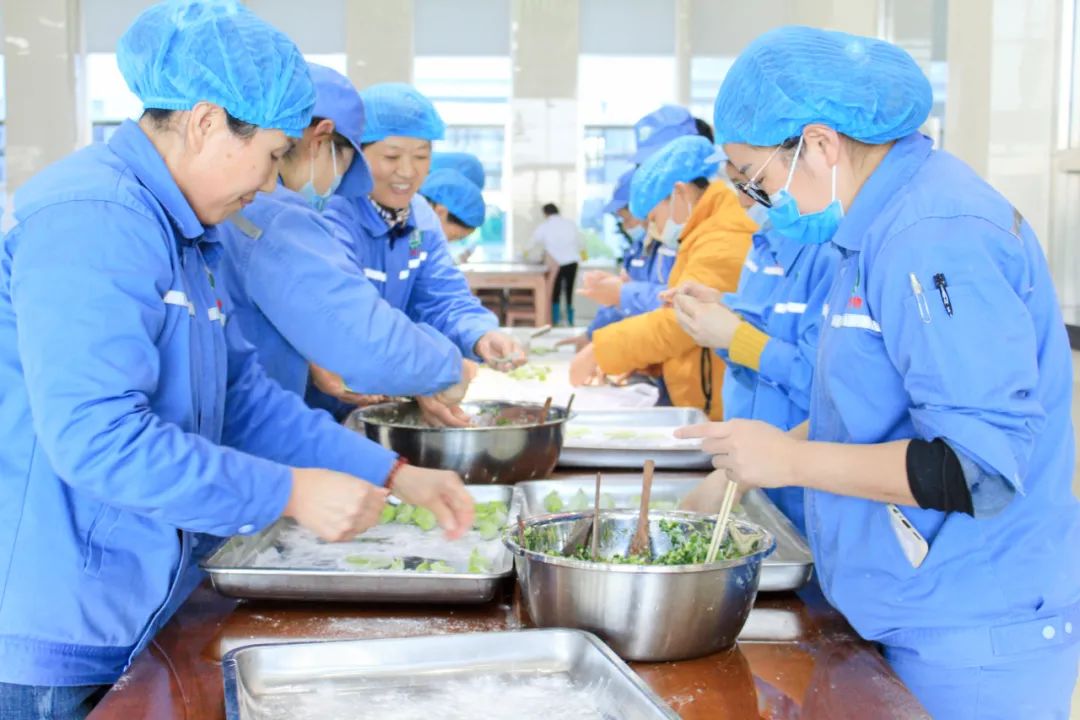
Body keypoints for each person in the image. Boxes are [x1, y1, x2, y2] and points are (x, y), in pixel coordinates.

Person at [0, 4, 473, 717]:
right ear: (206, 122)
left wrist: (392, 473)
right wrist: (289, 492)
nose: (275, 180)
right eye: (276, 153)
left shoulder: (191, 231)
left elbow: (244, 398)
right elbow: (98, 440)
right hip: (55, 622)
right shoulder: (94, 218)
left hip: (135, 595)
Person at [677, 26, 1080, 719]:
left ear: (820, 144)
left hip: (971, 629)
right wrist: (744, 472)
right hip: (903, 605)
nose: (758, 204)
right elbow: (861, 405)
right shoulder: (874, 228)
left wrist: (790, 462)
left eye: (758, 182)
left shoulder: (936, 235)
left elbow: (975, 468)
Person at [217, 64, 477, 428]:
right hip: (252, 428)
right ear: (321, 140)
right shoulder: (277, 216)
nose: (337, 185)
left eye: (421, 157)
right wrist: (446, 369)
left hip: (262, 420)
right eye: (347, 165)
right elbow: (358, 335)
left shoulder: (236, 206)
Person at [323, 83, 524, 425]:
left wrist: (480, 335)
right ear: (356, 153)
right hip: (318, 401)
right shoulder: (332, 215)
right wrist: (429, 368)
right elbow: (349, 319)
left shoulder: (421, 218)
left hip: (378, 398)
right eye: (392, 157)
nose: (407, 171)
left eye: (420, 156)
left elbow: (444, 297)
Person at [670, 158, 839, 533]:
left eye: (753, 181)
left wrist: (736, 336)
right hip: (756, 470)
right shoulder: (767, 240)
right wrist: (723, 307)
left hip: (805, 482)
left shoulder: (832, 254)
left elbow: (829, 385)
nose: (744, 201)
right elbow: (773, 324)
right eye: (738, 186)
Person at [569, 135, 753, 419]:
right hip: (699, 396)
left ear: (680, 193)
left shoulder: (723, 237)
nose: (653, 230)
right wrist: (648, 364)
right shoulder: (702, 233)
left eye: (654, 218)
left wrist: (601, 351)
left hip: (718, 407)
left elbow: (683, 323)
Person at [530, 202, 582, 326]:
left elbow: (533, 242)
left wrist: (525, 254)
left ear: (545, 213)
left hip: (556, 264)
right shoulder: (570, 224)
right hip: (572, 262)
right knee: (569, 291)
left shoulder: (545, 226)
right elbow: (580, 241)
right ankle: (570, 320)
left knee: (555, 292)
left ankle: (555, 320)